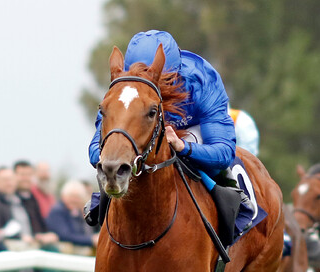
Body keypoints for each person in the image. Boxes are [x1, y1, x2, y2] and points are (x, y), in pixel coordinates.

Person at [86, 30, 250, 242]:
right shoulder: (123, 90)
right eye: (139, 76)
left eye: (162, 80)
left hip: (192, 129)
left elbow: (223, 153)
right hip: (146, 138)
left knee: (217, 167)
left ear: (175, 74)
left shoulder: (202, 82)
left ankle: (239, 210)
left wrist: (183, 147)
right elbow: (95, 151)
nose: (152, 87)